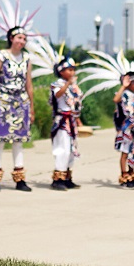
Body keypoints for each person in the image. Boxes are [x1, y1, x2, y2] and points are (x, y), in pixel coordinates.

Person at [0, 27, 35, 192]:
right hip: (3, 100)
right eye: (19, 38)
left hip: (20, 101)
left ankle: (20, 178)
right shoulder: (1, 56)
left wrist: (32, 107)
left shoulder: (27, 58)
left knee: (18, 141)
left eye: (24, 39)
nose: (21, 41)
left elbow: (29, 83)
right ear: (11, 38)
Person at [49, 56, 83, 191]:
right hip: (61, 120)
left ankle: (67, 177)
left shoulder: (73, 86)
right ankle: (58, 178)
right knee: (62, 149)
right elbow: (57, 95)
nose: (72, 72)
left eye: (73, 70)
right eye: (69, 69)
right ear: (61, 71)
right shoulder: (57, 84)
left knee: (70, 150)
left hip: (71, 120)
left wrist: (78, 118)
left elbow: (75, 103)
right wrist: (68, 84)